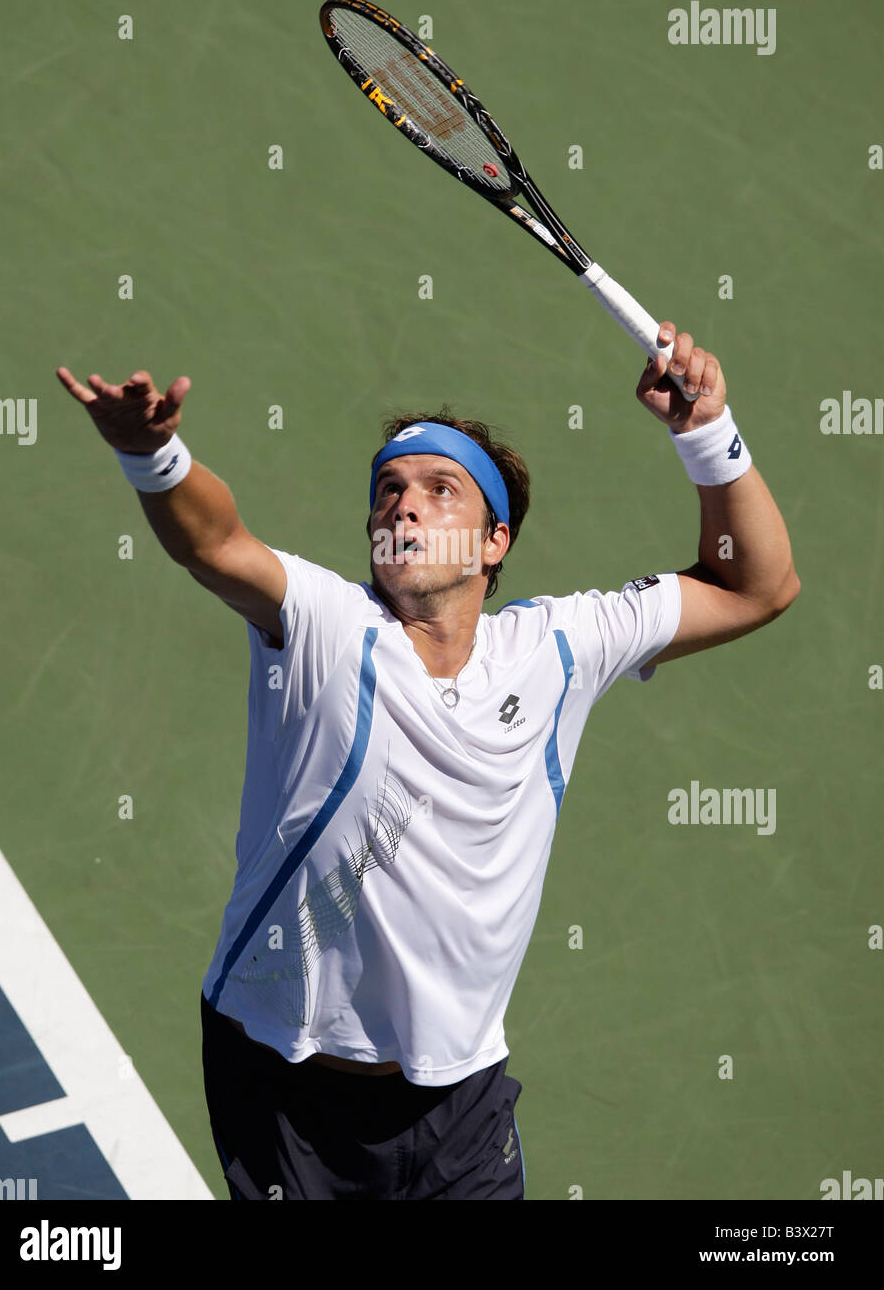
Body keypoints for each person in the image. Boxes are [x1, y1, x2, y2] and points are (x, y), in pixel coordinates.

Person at [57, 323, 799, 1200]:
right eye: (388, 491)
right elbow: (216, 544)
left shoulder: (561, 646)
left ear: (495, 542)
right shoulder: (328, 630)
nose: (403, 506)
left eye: (440, 490)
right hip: (287, 1081)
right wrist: (154, 456)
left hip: (462, 1097)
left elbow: (758, 585)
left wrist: (707, 432)